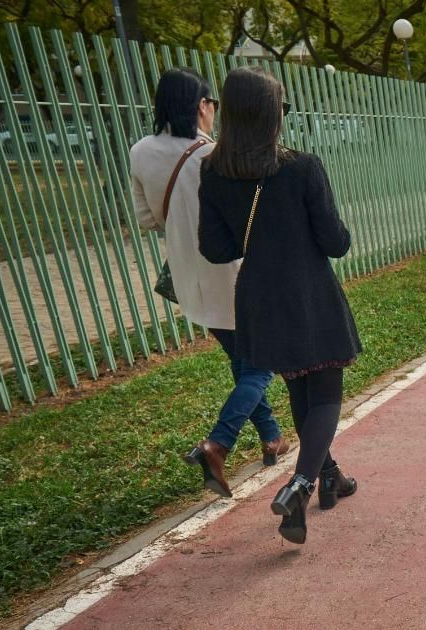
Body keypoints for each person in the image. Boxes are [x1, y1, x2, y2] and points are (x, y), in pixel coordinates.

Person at [199, 66, 360, 545]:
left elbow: (217, 248)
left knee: (299, 387)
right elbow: (335, 242)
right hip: (308, 292)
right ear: (271, 115)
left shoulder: (214, 171)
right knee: (327, 391)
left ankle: (329, 474)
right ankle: (302, 484)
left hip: (258, 297)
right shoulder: (302, 167)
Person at [129, 68, 287, 498]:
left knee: (243, 361)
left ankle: (272, 437)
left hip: (189, 277)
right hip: (233, 272)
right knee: (260, 365)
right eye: (211, 103)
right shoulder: (215, 155)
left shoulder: (140, 151)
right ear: (201, 105)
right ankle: (217, 444)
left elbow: (146, 219)